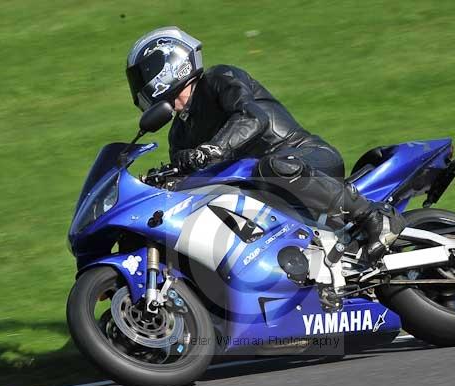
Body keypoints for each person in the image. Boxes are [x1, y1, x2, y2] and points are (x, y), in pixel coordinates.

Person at [125, 26, 404, 261]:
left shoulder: (218, 79)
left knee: (271, 166)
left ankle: (373, 217)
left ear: (164, 66)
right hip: (263, 192)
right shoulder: (179, 134)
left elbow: (252, 117)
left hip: (304, 159)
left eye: (141, 77)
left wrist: (213, 149)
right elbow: (189, 180)